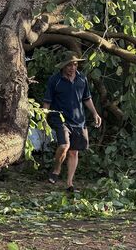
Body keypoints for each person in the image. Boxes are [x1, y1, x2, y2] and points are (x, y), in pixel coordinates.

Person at [42, 51, 101, 192]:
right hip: (60, 119)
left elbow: (87, 98)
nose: (72, 68)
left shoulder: (82, 79)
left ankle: (69, 183)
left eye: (75, 64)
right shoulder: (55, 80)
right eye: (69, 65)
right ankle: (56, 170)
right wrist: (43, 119)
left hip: (79, 120)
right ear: (63, 66)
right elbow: (47, 102)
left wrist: (95, 113)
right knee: (64, 145)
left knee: (74, 152)